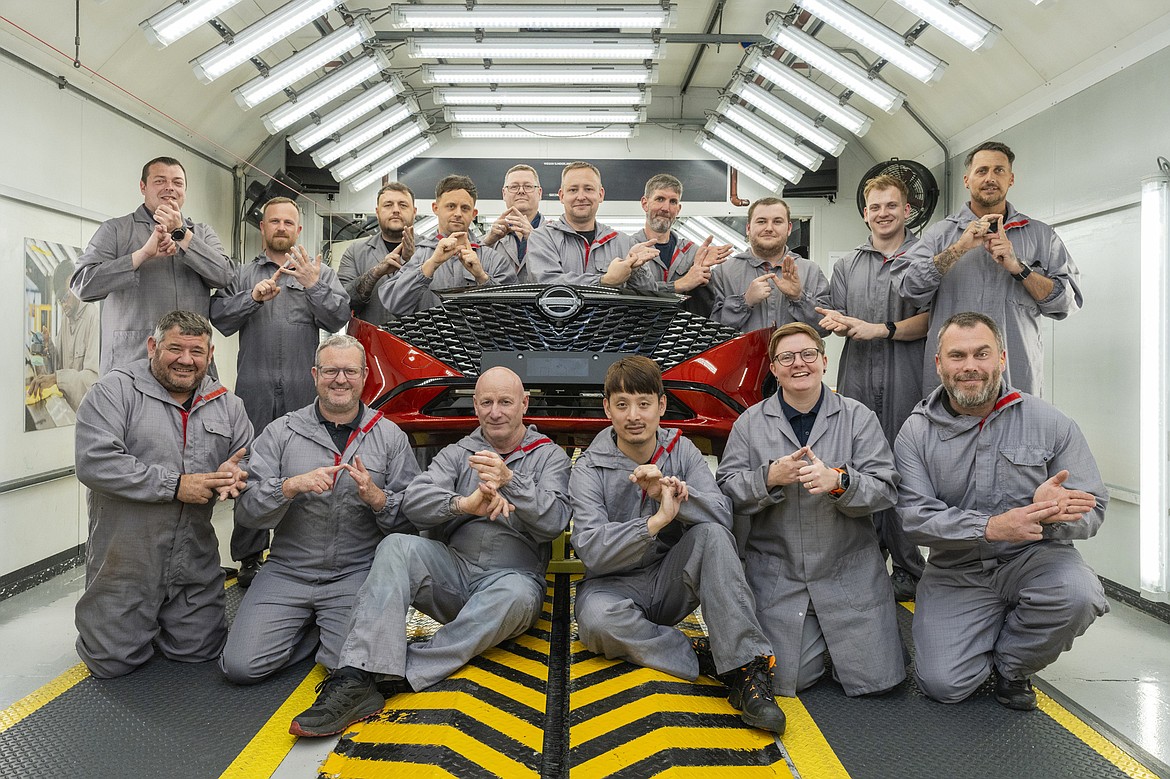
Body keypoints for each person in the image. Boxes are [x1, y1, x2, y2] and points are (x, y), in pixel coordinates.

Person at [288, 366, 570, 737]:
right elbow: (416, 502)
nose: (496, 412)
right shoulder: (458, 453)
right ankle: (356, 675)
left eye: (505, 402)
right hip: (453, 571)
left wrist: (511, 482)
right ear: (475, 405)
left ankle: (398, 671)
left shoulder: (549, 457)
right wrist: (464, 505)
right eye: (486, 402)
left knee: (515, 595)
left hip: (510, 581)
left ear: (524, 404)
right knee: (396, 546)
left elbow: (554, 520)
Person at [894, 311, 1107, 710]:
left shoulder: (1050, 421)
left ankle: (1012, 666)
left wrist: (1054, 513)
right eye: (957, 356)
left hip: (1035, 557)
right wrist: (990, 527)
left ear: (1002, 359)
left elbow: (1095, 505)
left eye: (982, 354)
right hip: (957, 570)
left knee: (1077, 593)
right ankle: (986, 630)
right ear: (939, 364)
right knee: (943, 685)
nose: (970, 366)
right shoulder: (916, 432)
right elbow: (915, 517)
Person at [571, 356, 787, 735]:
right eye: (621, 405)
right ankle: (708, 655)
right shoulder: (588, 468)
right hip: (612, 587)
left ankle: (748, 670)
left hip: (671, 579)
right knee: (596, 624)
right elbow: (591, 550)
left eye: (643, 403)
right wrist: (655, 521)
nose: (633, 415)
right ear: (607, 408)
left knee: (714, 536)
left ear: (661, 405)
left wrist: (674, 498)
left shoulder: (681, 451)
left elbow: (722, 517)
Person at [716, 323, 904, 698]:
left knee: (879, 681)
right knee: (791, 679)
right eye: (786, 357)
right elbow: (726, 490)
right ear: (773, 368)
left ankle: (841, 636)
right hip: (778, 574)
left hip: (847, 570)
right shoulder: (749, 424)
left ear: (824, 361)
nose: (797, 364)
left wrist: (840, 482)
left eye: (807, 355)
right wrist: (768, 478)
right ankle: (820, 638)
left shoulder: (858, 417)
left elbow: (886, 489)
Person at [220, 334, 419, 684]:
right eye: (330, 371)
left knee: (352, 668)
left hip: (356, 572)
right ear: (314, 375)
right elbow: (247, 511)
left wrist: (377, 498)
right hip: (287, 569)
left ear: (364, 375)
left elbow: (413, 523)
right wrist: (289, 487)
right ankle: (308, 629)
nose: (340, 380)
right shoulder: (281, 432)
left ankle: (322, 630)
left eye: (349, 371)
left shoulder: (389, 436)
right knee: (241, 667)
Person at [73, 310, 250, 678]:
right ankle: (129, 625)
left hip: (194, 561)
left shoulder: (228, 405)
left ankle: (161, 622)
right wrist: (175, 485)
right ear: (153, 346)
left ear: (210, 354)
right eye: (175, 349)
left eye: (196, 352)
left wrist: (238, 475)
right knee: (111, 663)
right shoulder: (114, 391)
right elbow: (94, 462)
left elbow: (249, 458)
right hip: (127, 563)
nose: (186, 360)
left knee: (200, 652)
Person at [210, 196, 350, 586]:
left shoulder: (316, 272)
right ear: (263, 228)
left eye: (289, 222)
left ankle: (300, 548)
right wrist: (251, 298)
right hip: (253, 391)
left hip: (303, 393)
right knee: (251, 470)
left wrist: (313, 285)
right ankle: (250, 556)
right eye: (275, 221)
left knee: (303, 467)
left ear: (299, 229)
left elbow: (339, 316)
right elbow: (219, 318)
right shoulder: (242, 275)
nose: (282, 228)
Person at [892, 141, 1082, 397]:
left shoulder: (1041, 236)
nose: (990, 178)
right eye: (982, 171)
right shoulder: (939, 235)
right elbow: (907, 287)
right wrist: (957, 249)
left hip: (1017, 382)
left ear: (1011, 179)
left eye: (998, 171)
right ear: (967, 180)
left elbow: (1067, 302)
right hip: (954, 384)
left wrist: (1019, 269)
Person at [815, 174, 929, 600]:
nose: (883, 214)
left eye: (891, 206)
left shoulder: (923, 258)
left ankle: (909, 567)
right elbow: (838, 318)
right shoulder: (848, 264)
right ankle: (864, 559)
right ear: (865, 213)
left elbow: (933, 318)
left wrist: (882, 329)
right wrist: (835, 322)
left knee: (904, 470)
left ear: (907, 210)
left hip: (907, 376)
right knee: (858, 467)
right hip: (858, 378)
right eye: (875, 207)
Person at [71, 156, 235, 374]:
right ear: (143, 186)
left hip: (191, 369)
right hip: (132, 366)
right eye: (160, 181)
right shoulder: (115, 230)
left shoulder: (202, 234)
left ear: (185, 190)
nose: (169, 188)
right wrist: (140, 256)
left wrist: (182, 234)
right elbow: (82, 284)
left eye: (177, 183)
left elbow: (224, 275)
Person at [381, 175, 516, 317]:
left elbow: (512, 312)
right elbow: (394, 304)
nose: (457, 213)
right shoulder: (416, 255)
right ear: (435, 208)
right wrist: (431, 264)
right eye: (451, 206)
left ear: (473, 214)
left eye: (465, 208)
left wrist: (482, 277)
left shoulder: (494, 259)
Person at [525, 161, 662, 294]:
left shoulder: (624, 243)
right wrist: (604, 281)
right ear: (562, 196)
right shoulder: (542, 238)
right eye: (573, 190)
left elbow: (649, 295)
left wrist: (636, 268)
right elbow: (546, 283)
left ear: (600, 194)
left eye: (588, 189)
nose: (581, 196)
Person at [709, 197, 830, 333]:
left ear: (789, 228)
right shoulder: (723, 273)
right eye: (761, 221)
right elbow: (711, 332)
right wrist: (745, 301)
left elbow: (825, 328)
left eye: (777, 222)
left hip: (794, 355)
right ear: (748, 228)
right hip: (745, 355)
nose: (769, 228)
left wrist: (799, 297)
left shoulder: (810, 271)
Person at [631, 173, 733, 317]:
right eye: (660, 199)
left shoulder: (693, 252)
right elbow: (631, 295)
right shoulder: (628, 248)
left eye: (673, 201)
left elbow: (708, 309)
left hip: (682, 334)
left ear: (678, 209)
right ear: (645, 203)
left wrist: (704, 278)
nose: (666, 208)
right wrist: (679, 285)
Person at [337, 182, 417, 324]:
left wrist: (414, 262)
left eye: (403, 205)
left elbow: (437, 301)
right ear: (377, 211)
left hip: (420, 343)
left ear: (414, 212)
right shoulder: (355, 252)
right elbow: (342, 302)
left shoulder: (432, 251)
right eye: (388, 205)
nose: (396, 210)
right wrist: (375, 273)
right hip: (371, 343)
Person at [28, 286, 101, 413]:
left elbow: (92, 380)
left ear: (75, 287)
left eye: (66, 297)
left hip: (85, 410)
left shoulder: (93, 317)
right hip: (67, 406)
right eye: (60, 301)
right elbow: (59, 365)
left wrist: (57, 378)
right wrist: (48, 345)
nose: (64, 305)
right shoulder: (65, 319)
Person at [481, 164, 545, 282]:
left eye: (528, 186)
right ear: (504, 193)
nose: (521, 191)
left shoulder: (554, 236)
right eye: (514, 187)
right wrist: (487, 242)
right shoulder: (489, 239)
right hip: (500, 301)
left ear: (539, 193)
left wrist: (535, 238)